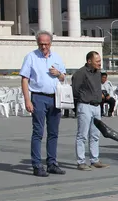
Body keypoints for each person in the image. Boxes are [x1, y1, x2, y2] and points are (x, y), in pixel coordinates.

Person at [20, 30, 67, 177]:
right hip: (38, 97)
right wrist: (27, 100)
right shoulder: (31, 57)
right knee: (38, 132)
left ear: (51, 43)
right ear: (37, 43)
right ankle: (36, 165)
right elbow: (24, 79)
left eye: (46, 44)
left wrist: (58, 74)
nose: (44, 47)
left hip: (55, 98)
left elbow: (64, 77)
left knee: (53, 133)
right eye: (41, 44)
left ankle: (52, 163)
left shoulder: (57, 58)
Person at [70, 51, 109, 172]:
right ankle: (81, 161)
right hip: (85, 105)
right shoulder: (81, 73)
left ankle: (94, 159)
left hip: (97, 106)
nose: (99, 63)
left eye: (100, 61)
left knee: (95, 134)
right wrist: (82, 99)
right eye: (97, 61)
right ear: (89, 61)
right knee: (82, 135)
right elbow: (75, 90)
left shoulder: (98, 73)